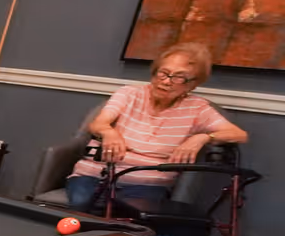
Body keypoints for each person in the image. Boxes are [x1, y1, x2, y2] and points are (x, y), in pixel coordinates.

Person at [64, 42, 247, 212]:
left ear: (192, 84)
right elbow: (98, 123)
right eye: (163, 73)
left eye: (179, 77)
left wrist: (203, 137)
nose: (166, 81)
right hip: (96, 175)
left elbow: (238, 134)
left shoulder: (197, 108)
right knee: (82, 203)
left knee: (133, 216)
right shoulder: (128, 94)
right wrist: (108, 132)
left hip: (147, 185)